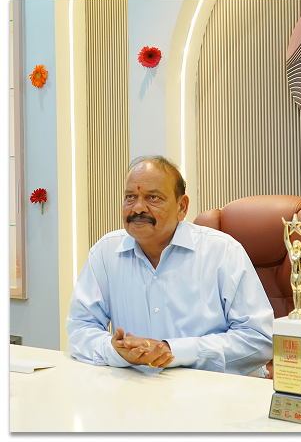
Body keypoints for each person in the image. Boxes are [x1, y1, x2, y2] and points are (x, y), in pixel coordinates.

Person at [66, 155, 274, 376]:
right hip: (138, 387)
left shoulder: (223, 252)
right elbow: (80, 328)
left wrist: (174, 351)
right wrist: (115, 351)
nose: (138, 208)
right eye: (130, 197)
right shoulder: (106, 252)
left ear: (181, 207)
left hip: (216, 389)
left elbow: (259, 339)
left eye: (153, 197)